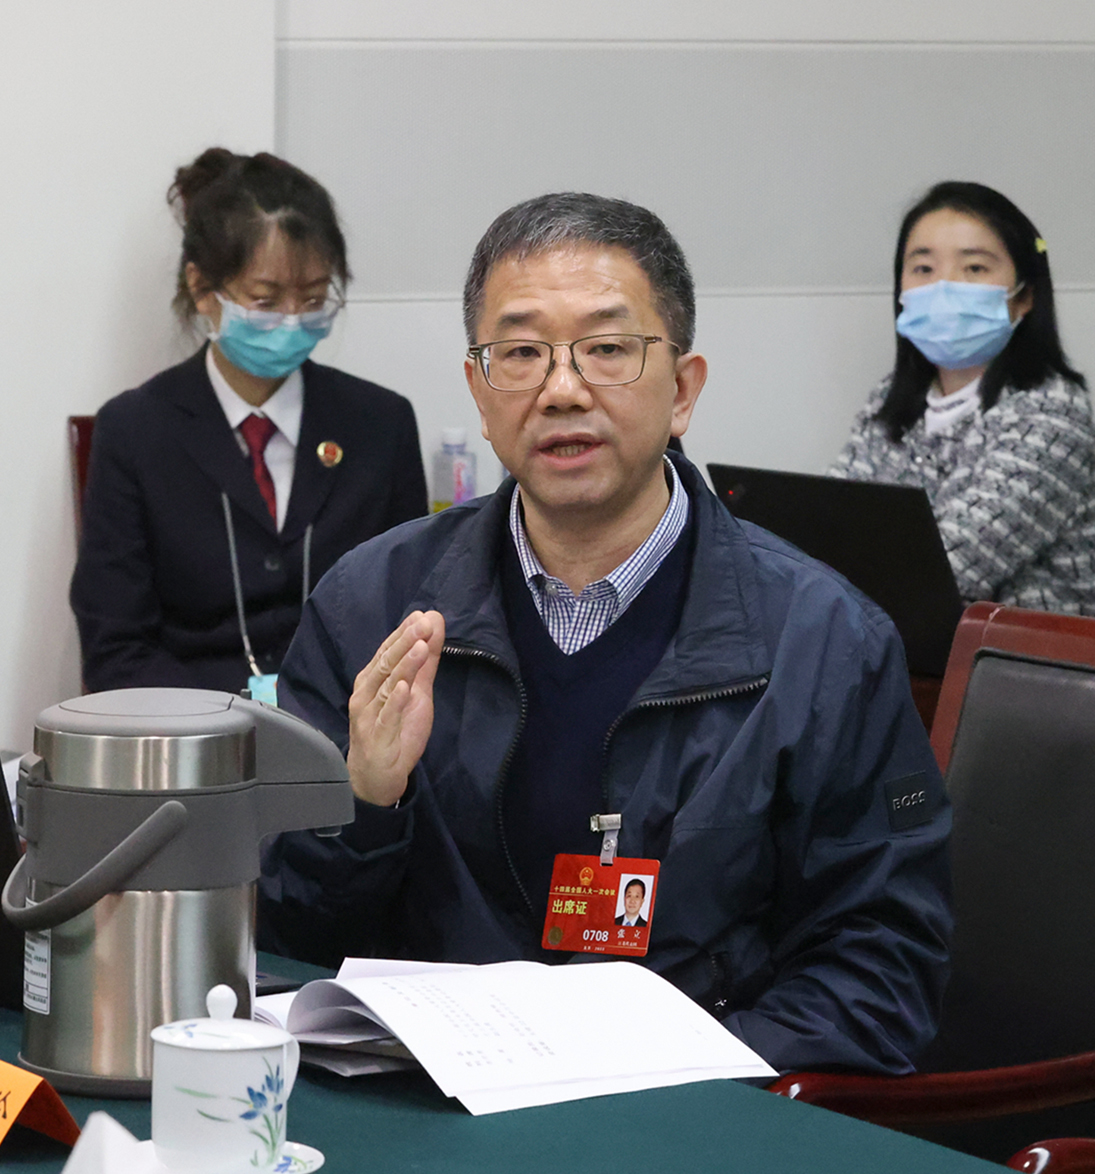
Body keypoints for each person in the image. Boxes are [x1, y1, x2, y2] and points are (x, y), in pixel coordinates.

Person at [261, 193, 954, 1074]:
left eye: (608, 350)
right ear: (479, 393)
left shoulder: (826, 643)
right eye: (521, 353)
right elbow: (286, 940)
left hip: (689, 1113)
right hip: (426, 1105)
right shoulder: (370, 610)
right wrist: (364, 804)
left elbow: (882, 969)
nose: (561, 390)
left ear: (683, 391)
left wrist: (673, 1076)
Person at [71, 148, 428, 696]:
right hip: (190, 732)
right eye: (265, 302)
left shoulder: (381, 425)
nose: (292, 321)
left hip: (349, 728)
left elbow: (413, 620)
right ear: (201, 289)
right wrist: (234, 715)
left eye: (313, 299)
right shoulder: (135, 432)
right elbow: (116, 650)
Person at [829, 181, 1095, 620]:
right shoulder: (892, 400)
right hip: (921, 641)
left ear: (1024, 296)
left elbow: (947, 566)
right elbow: (829, 521)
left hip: (1050, 656)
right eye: (923, 268)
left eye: (974, 268)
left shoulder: (1053, 412)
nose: (944, 286)